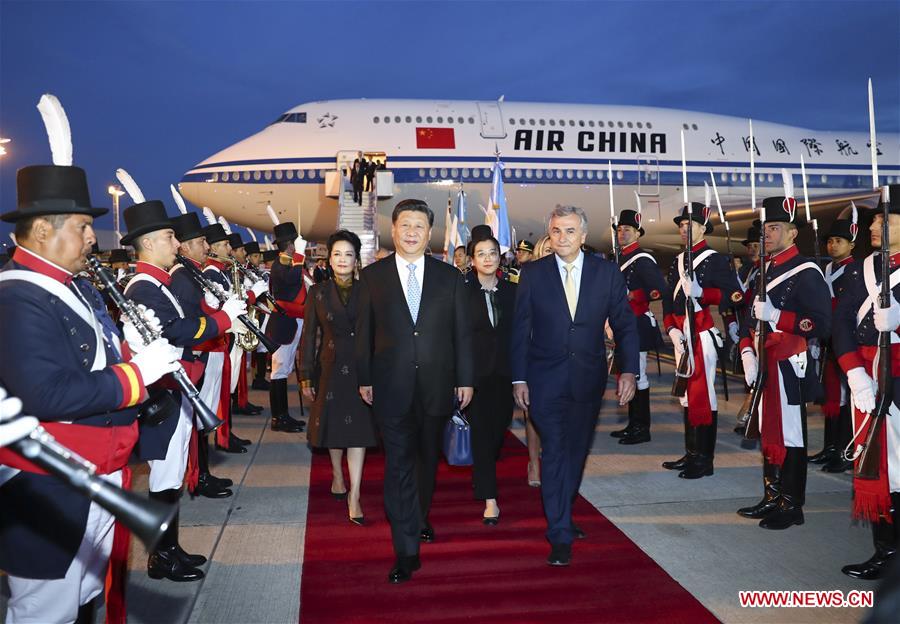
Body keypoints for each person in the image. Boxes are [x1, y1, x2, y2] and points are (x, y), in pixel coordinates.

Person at [0, 150, 181, 622]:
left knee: (83, 596)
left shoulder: (70, 286)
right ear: (42, 230)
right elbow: (48, 393)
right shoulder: (18, 296)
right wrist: (138, 376)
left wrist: (133, 353)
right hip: (50, 486)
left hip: (95, 473)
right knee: (45, 609)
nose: (90, 239)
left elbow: (94, 358)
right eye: (81, 227)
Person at [120, 197, 244, 581]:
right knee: (164, 477)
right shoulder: (143, 286)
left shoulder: (160, 281)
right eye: (170, 237)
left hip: (176, 386)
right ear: (149, 242)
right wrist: (224, 319)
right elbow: (176, 330)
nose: (177, 244)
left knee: (171, 476)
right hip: (163, 391)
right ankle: (161, 556)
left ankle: (169, 549)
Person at [511, 204, 639, 566]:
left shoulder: (607, 273)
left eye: (570, 231)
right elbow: (520, 330)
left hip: (588, 378)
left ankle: (561, 513)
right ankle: (560, 533)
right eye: (556, 231)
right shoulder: (533, 274)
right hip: (543, 380)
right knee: (553, 449)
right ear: (548, 235)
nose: (562, 238)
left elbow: (625, 324)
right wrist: (519, 377)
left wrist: (628, 370)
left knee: (577, 451)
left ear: (583, 236)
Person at [356, 199, 474, 584]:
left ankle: (419, 515)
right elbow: (364, 335)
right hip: (390, 388)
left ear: (429, 232)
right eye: (405, 225)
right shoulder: (373, 277)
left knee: (426, 461)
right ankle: (406, 550)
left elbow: (462, 334)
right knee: (399, 466)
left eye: (419, 226)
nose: (411, 232)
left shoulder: (449, 277)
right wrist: (364, 377)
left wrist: (466, 378)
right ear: (394, 230)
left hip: (438, 387)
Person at [736, 194, 831, 530]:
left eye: (775, 227)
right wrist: (747, 351)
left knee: (790, 433)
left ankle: (792, 504)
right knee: (768, 428)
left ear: (793, 233)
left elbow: (821, 322)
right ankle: (772, 494)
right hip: (764, 360)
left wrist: (779, 316)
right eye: (765, 228)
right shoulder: (764, 268)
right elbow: (749, 318)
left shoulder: (806, 271)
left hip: (790, 361)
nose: (767, 234)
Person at [833, 186, 900, 579]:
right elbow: (840, 323)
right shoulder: (864, 268)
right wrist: (855, 373)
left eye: (883, 219)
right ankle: (885, 550)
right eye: (876, 218)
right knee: (877, 466)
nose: (874, 226)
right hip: (866, 376)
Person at [300, 230, 376, 525]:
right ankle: (336, 473)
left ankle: (354, 494)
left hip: (361, 369)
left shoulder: (367, 290)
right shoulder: (317, 293)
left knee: (358, 430)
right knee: (333, 427)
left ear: (357, 260)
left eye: (349, 254)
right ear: (328, 259)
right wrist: (306, 376)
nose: (343, 260)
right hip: (329, 368)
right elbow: (309, 337)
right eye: (337, 254)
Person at [662, 203, 742, 479]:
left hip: (702, 333)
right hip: (682, 334)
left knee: (703, 394)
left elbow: (734, 295)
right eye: (681, 225)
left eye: (689, 225)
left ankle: (704, 460)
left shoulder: (714, 259)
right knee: (686, 394)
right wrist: (671, 329)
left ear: (703, 227)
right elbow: (669, 301)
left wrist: (702, 292)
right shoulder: (677, 260)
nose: (684, 229)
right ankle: (691, 453)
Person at [465, 226, 516, 524]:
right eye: (481, 253)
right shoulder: (462, 291)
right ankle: (490, 498)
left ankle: (482, 474)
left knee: (498, 432)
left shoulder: (512, 290)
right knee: (483, 435)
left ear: (500, 257)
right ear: (472, 259)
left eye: (493, 253)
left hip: (504, 374)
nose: (488, 258)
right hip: (474, 376)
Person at [610, 209, 668, 444]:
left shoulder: (642, 259)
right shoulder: (619, 258)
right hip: (624, 324)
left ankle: (641, 428)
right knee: (629, 372)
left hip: (638, 324)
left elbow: (658, 290)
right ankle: (633, 424)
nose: (622, 234)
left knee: (638, 374)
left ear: (637, 233)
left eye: (627, 230)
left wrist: (632, 294)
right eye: (620, 230)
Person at [810, 215, 857, 472]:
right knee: (832, 396)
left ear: (851, 245)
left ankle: (844, 450)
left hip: (845, 339)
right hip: (829, 340)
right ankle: (830, 447)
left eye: (839, 241)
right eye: (830, 241)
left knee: (847, 397)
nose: (833, 245)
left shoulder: (855, 271)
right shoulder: (826, 269)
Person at [266, 220, 311, 433]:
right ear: (291, 245)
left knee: (283, 370)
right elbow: (292, 281)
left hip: (291, 321)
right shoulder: (282, 264)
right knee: (279, 371)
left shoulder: (287, 262)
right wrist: (300, 257)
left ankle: (283, 415)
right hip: (285, 323)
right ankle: (279, 417)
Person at [522, 234, 551, 485]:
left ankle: (552, 460)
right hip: (536, 358)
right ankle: (534, 463)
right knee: (534, 414)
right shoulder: (531, 279)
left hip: (565, 360)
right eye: (547, 249)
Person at [734, 223, 762, 434]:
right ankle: (752, 417)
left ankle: (756, 420)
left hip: (758, 328)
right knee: (749, 376)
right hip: (745, 326)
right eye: (750, 245)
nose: (752, 249)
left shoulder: (763, 270)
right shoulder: (746, 269)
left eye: (756, 244)